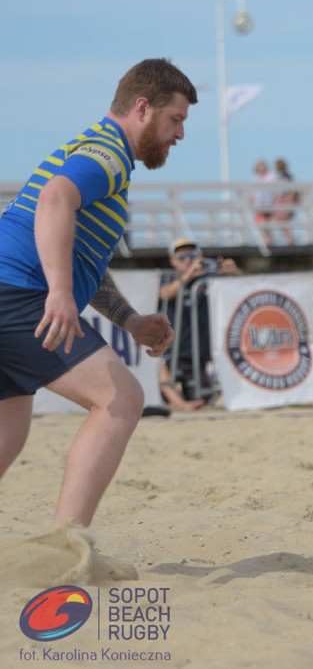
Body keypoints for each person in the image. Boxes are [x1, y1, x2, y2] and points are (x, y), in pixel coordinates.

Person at [0, 58, 197, 529]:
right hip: (16, 292)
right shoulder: (107, 152)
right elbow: (54, 199)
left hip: (11, 289)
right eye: (176, 119)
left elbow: (75, 252)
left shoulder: (99, 153)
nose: (180, 135)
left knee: (9, 428)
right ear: (143, 108)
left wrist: (130, 320)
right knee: (121, 400)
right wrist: (60, 292)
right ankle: (67, 547)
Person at [158, 239, 242, 411]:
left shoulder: (209, 279)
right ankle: (178, 403)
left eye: (192, 256)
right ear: (173, 261)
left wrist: (235, 273)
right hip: (172, 349)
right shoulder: (167, 278)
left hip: (199, 352)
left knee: (203, 398)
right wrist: (188, 275)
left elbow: (243, 291)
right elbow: (164, 294)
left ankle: (179, 402)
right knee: (158, 371)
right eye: (182, 257)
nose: (188, 260)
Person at [251, 159, 279, 246]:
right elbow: (254, 192)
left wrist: (276, 201)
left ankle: (269, 240)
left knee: (266, 223)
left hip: (269, 202)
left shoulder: (271, 177)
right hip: (259, 204)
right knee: (261, 223)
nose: (261, 169)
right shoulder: (257, 179)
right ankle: (267, 240)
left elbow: (275, 190)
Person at [272, 158, 298, 246]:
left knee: (284, 221)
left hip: (286, 200)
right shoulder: (282, 176)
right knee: (282, 222)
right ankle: (290, 239)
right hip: (283, 200)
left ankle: (291, 240)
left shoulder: (286, 176)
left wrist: (290, 201)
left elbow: (291, 190)